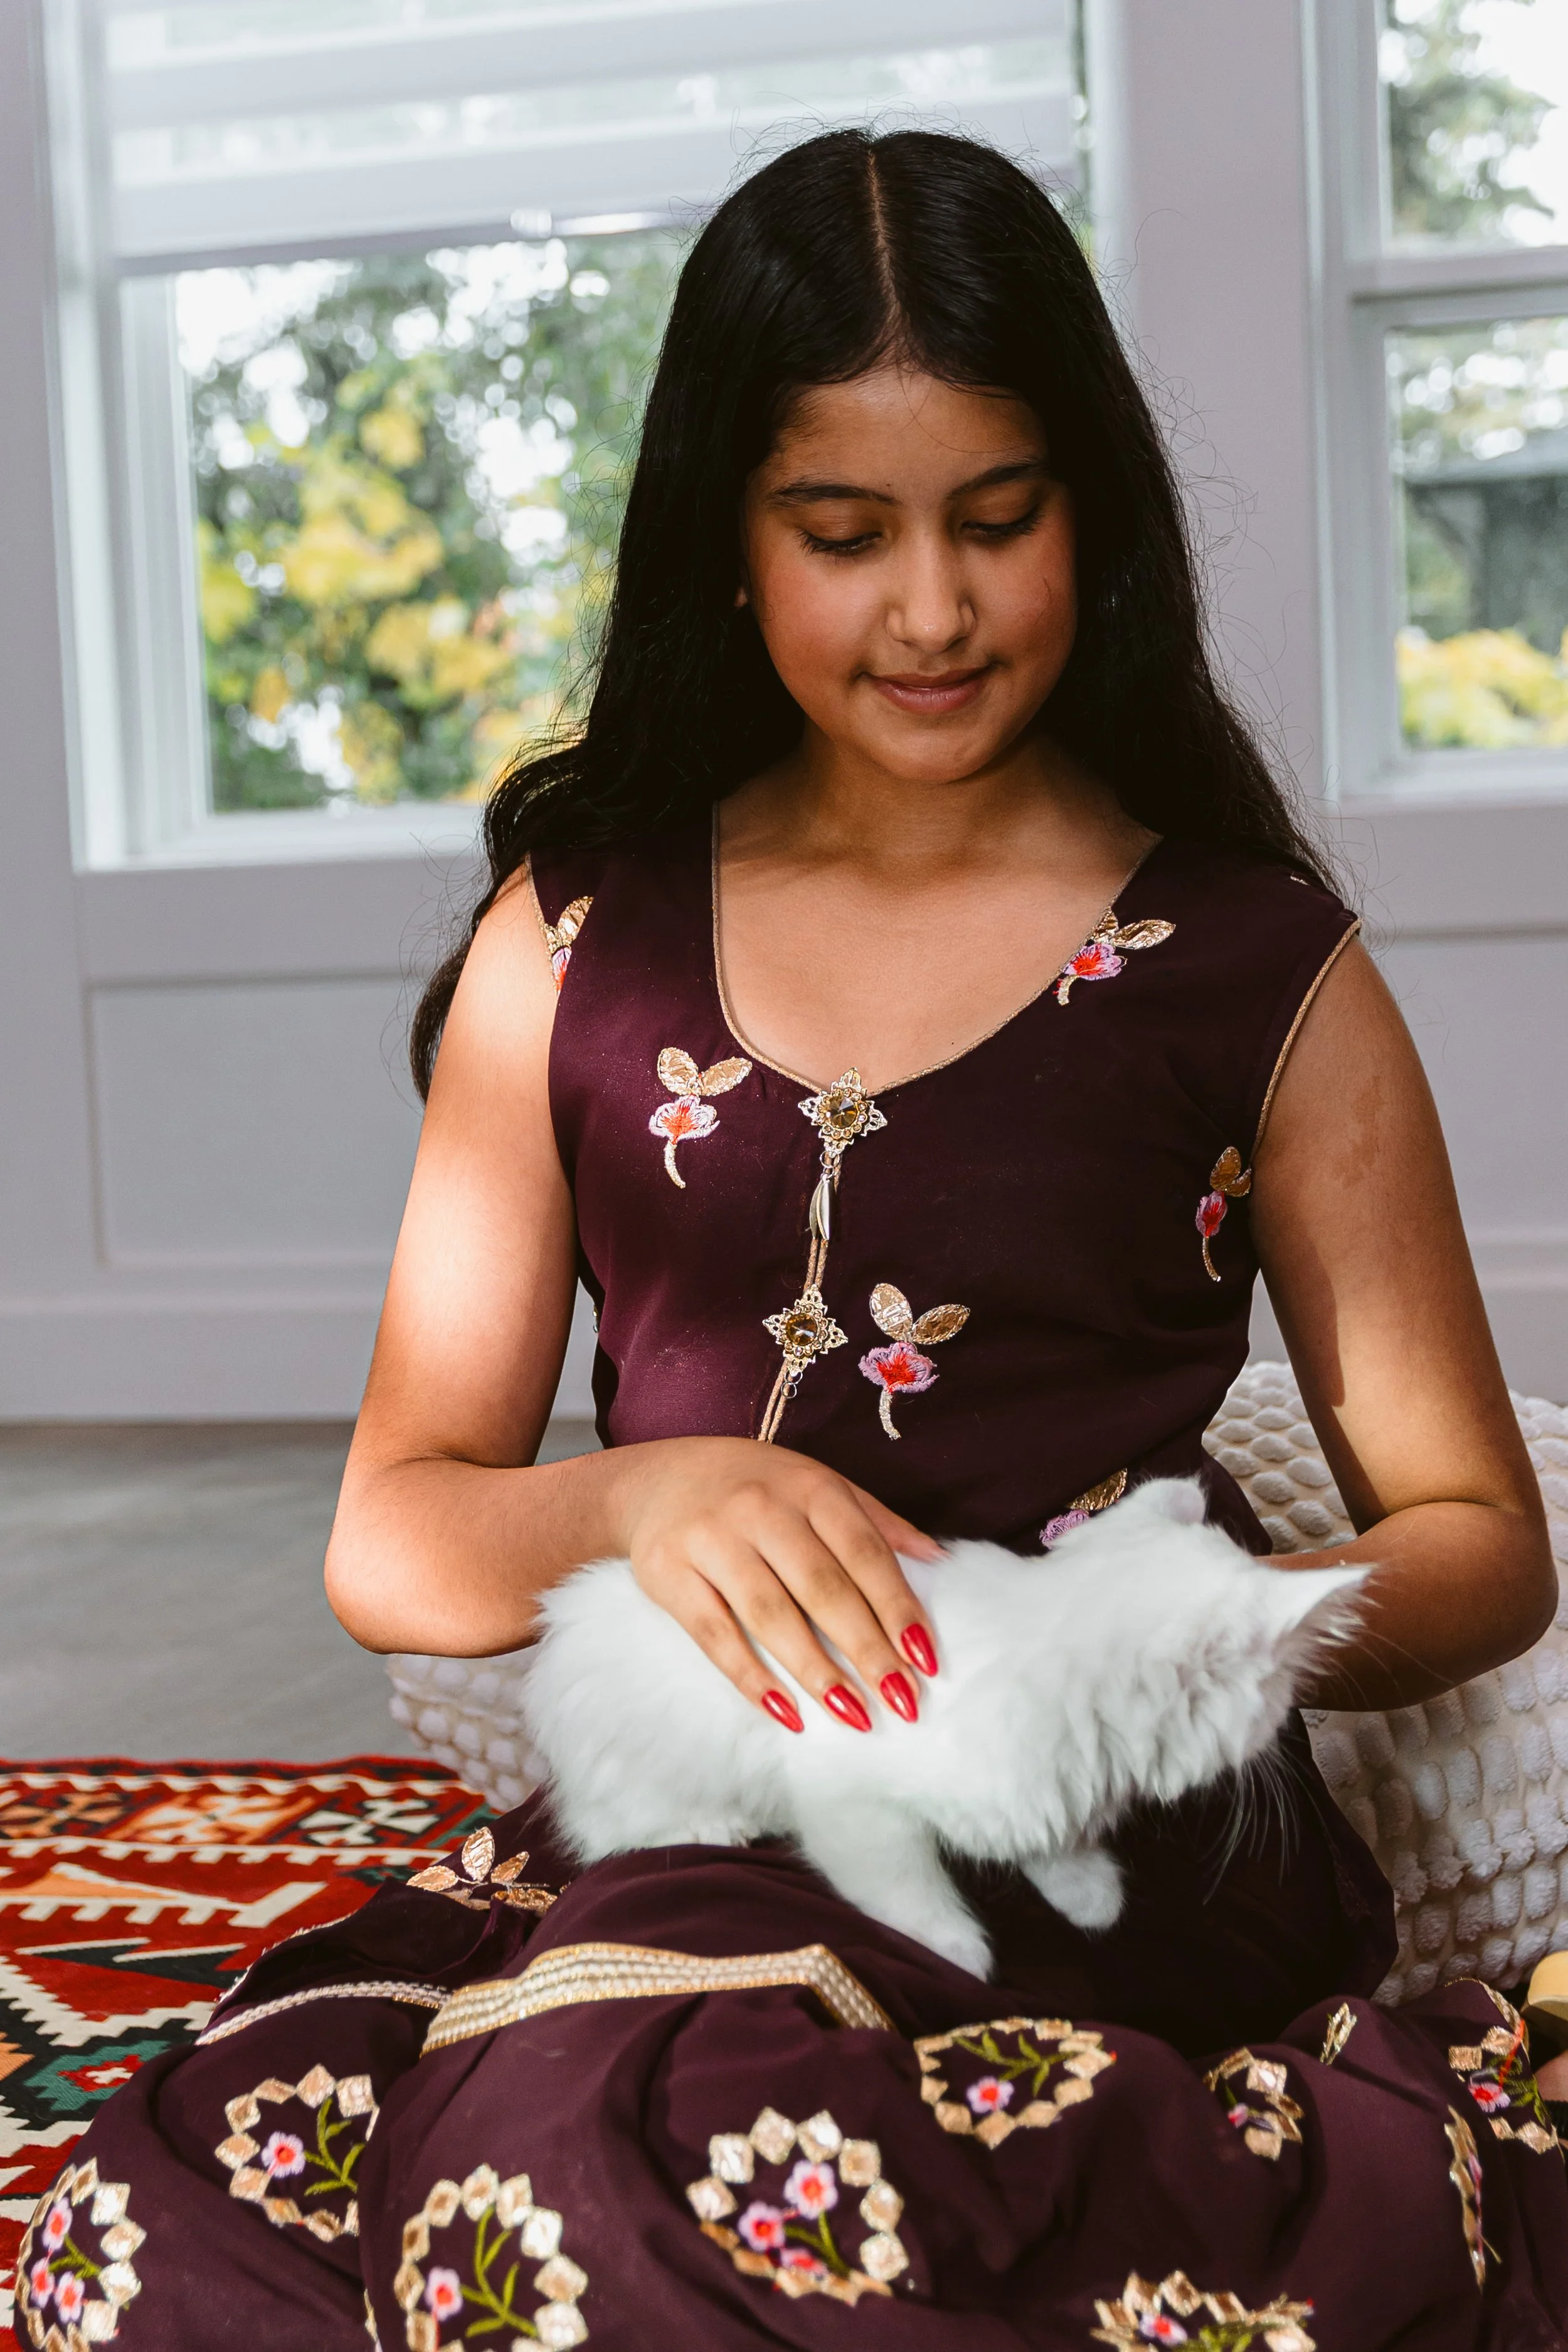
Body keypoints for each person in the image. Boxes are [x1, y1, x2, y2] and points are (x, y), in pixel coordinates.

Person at [27, 129, 1567, 2351]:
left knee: (637, 2161)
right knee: (161, 2224)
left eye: (998, 519)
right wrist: (654, 1495)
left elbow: (1475, 1540)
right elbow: (398, 1528)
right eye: (841, 532)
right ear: (721, 545)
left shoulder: (1256, 967)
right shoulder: (570, 944)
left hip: (1100, 1840)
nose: (927, 607)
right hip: (676, 1834)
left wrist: (1175, 1642)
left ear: (1095, 515)